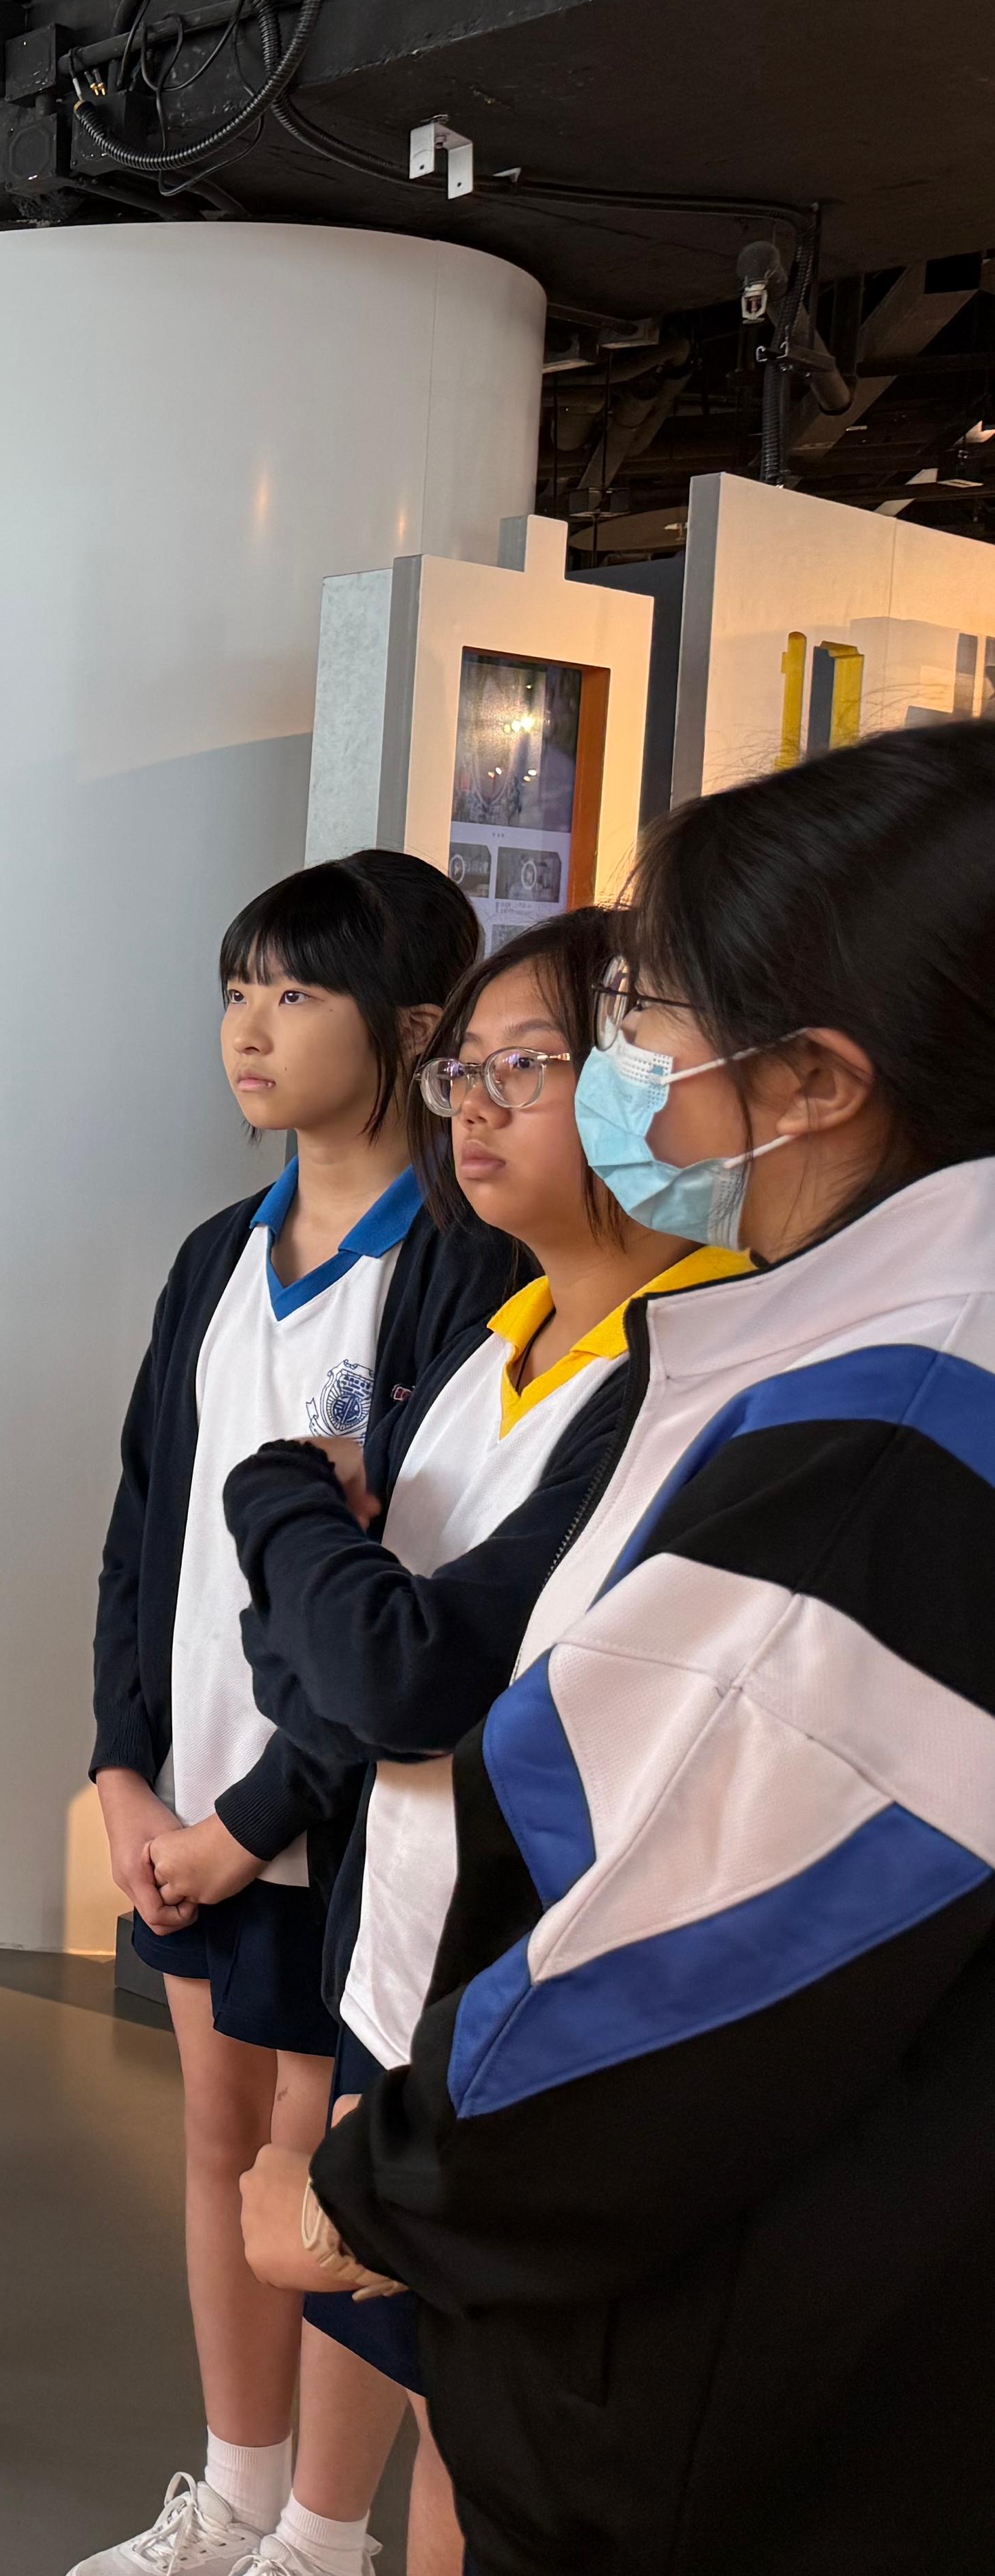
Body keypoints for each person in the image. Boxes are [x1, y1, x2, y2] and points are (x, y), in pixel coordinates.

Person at [245, 722, 995, 2575]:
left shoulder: (883, 1431)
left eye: (642, 1016)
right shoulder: (799, 1347)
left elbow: (691, 1938)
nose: (605, 1068)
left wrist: (367, 2194)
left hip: (711, 2357)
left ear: (812, 1079)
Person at [219, 909, 744, 2576]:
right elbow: (310, 1661)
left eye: (534, 1066)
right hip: (402, 1958)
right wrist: (329, 1590)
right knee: (419, 2377)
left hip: (529, 1997)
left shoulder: (692, 1368)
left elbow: (405, 1675)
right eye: (468, 1071)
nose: (479, 1104)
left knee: (493, 2435)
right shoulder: (495, 1341)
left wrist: (276, 1497)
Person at [77, 849, 525, 2576]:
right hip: (185, 1795)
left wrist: (253, 1820)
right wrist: (123, 1767)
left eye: (294, 992)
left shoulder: (466, 1266)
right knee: (215, 2143)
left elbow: (421, 1607)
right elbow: (144, 1519)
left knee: (327, 2178)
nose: (247, 1031)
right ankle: (238, 2492)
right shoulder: (219, 1251)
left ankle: (326, 2537)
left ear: (412, 1030)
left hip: (331, 1821)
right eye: (235, 991)